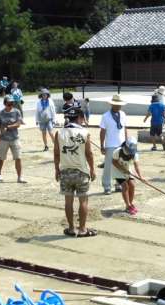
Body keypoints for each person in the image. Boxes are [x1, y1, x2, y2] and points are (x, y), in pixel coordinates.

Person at [54, 106, 96, 237]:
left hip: (65, 171)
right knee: (83, 201)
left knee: (68, 201)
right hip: (81, 171)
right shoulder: (85, 132)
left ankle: (71, 228)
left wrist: (56, 169)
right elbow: (89, 153)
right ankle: (83, 229)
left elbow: (56, 154)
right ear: (79, 118)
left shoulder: (59, 133)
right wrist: (93, 169)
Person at [99, 94, 129, 194]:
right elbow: (102, 131)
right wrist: (102, 145)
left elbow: (125, 128)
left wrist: (126, 142)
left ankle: (118, 183)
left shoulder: (123, 114)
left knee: (120, 165)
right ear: (112, 104)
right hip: (110, 144)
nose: (119, 106)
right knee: (108, 166)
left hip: (121, 144)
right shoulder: (105, 116)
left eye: (120, 105)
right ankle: (107, 186)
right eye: (116, 104)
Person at [0, 95, 25, 183]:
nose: (11, 105)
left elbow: (19, 123)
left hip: (15, 138)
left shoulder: (17, 111)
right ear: (5, 104)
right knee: (1, 158)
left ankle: (20, 177)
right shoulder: (0, 114)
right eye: (9, 104)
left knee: (18, 157)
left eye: (12, 103)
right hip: (3, 139)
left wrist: (9, 127)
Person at [112, 137, 143, 215]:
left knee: (132, 185)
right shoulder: (117, 151)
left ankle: (129, 204)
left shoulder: (135, 154)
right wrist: (122, 169)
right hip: (117, 170)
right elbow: (114, 162)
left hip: (128, 169)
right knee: (125, 186)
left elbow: (136, 166)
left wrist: (140, 176)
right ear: (126, 146)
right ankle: (128, 205)